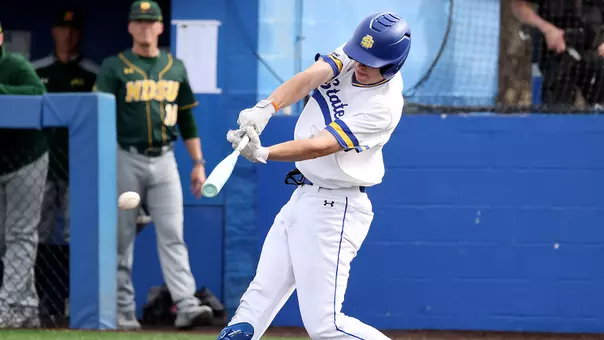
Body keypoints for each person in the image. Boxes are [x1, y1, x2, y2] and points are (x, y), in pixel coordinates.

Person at [218, 12, 411, 340]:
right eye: (359, 56)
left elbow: (320, 145)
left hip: (336, 209)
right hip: (303, 199)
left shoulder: (384, 106)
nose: (360, 65)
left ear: (392, 65)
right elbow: (310, 77)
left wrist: (264, 153)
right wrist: (267, 108)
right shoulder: (355, 55)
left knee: (326, 326)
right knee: (252, 309)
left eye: (371, 62)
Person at [94, 0, 212, 331]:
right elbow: (96, 116)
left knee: (173, 234)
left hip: (165, 157)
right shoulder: (113, 66)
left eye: (151, 22)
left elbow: (187, 118)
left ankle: (186, 304)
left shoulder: (175, 67)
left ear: (161, 27)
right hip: (125, 156)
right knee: (121, 237)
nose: (145, 27)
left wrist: (198, 163)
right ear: (130, 27)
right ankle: (121, 311)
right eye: (140, 21)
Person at [32, 8, 99, 245]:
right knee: (38, 232)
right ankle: (37, 282)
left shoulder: (93, 73)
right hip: (42, 164)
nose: (67, 35)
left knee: (77, 233)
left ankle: (75, 282)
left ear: (79, 34)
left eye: (72, 30)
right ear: (54, 32)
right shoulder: (36, 71)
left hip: (78, 164)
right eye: (62, 29)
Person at [0, 21, 48, 328]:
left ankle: (12, 306)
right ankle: (27, 307)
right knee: (6, 239)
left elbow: (38, 92)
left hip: (27, 159)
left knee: (19, 234)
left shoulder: (13, 63)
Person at [512, 0, 604, 107]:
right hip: (557, 56)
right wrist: (547, 29)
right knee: (558, 108)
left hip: (596, 55)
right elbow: (519, 5)